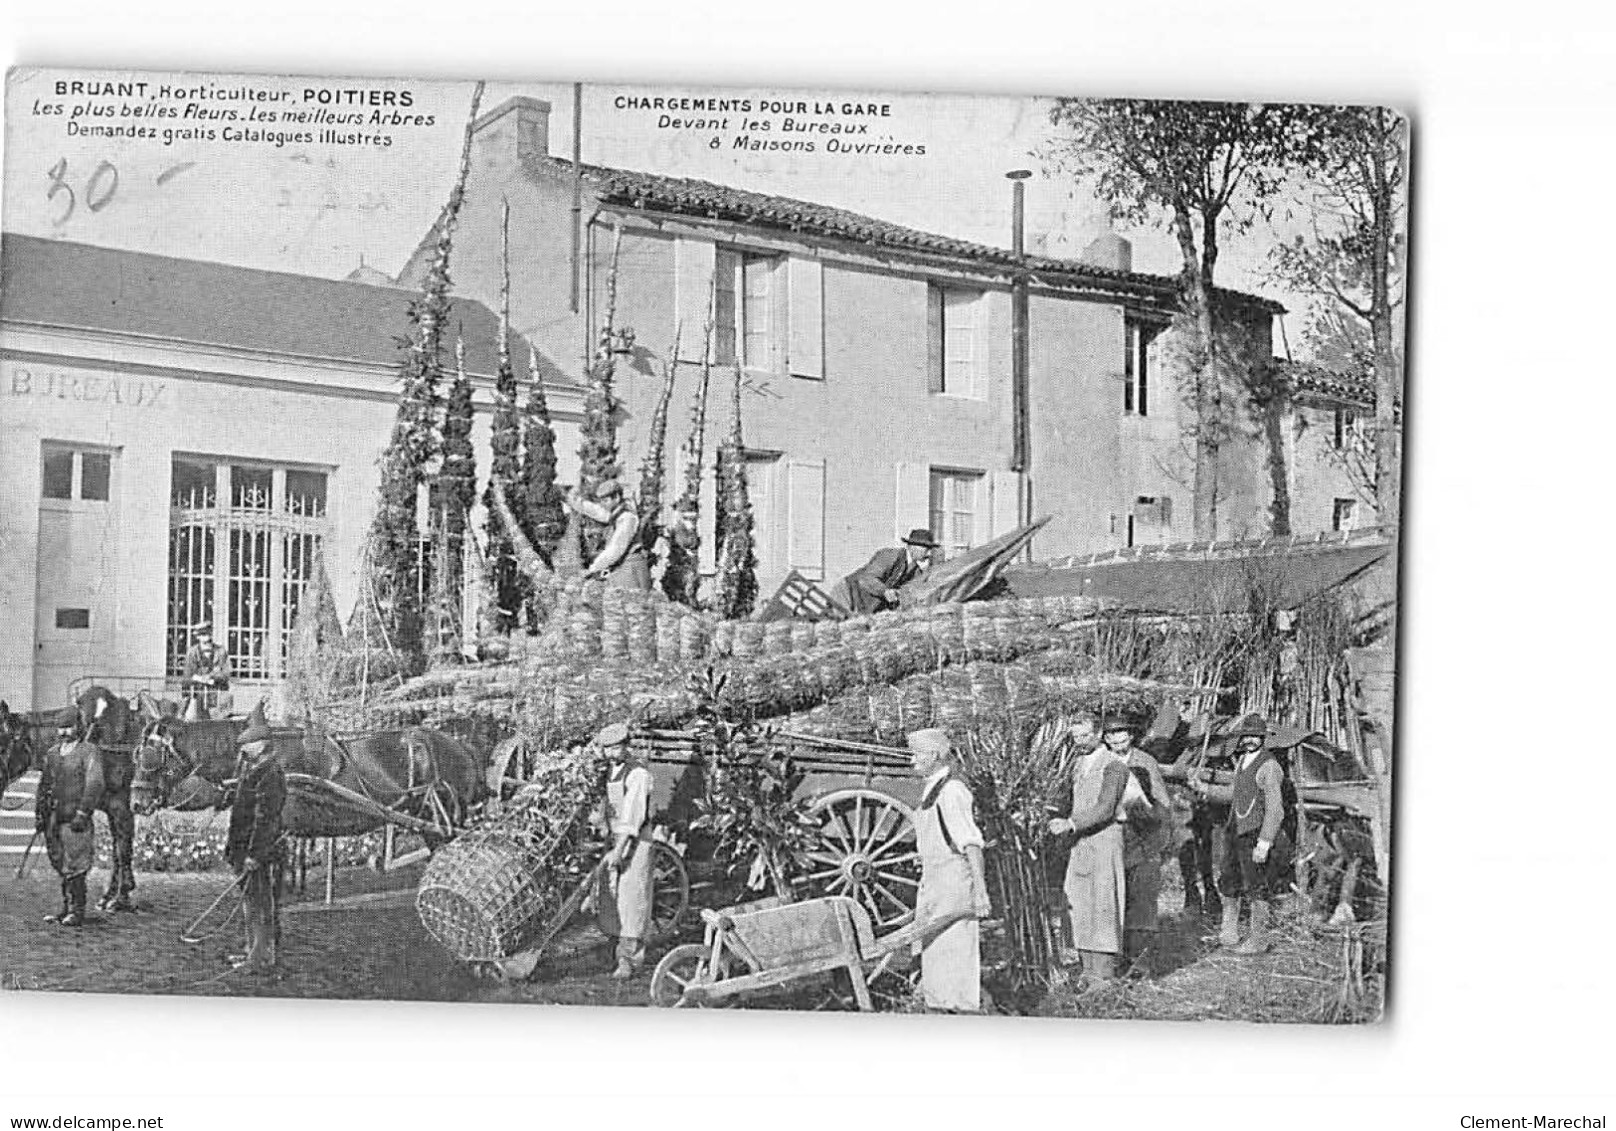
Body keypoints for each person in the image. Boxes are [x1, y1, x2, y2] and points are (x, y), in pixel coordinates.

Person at [1190, 712, 1298, 955]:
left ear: (1263, 738)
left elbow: (1276, 810)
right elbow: (1234, 794)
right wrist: (1204, 788)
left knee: (1256, 885)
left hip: (1255, 833)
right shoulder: (1242, 761)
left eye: (1255, 736)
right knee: (1229, 878)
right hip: (1235, 829)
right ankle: (1229, 932)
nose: (1249, 740)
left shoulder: (1269, 766)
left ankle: (1258, 939)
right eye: (1245, 736)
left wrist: (1264, 842)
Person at [907, 728, 992, 1012]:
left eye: (916, 754)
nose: (911, 760)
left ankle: (962, 1014)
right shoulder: (933, 787)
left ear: (933, 755)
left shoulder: (953, 790)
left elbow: (971, 845)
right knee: (936, 949)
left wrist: (980, 892)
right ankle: (940, 1010)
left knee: (956, 948)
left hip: (954, 881)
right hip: (934, 879)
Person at [1049, 720, 1133, 985]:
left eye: (1086, 735)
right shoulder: (1076, 765)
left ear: (1099, 734)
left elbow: (1106, 807)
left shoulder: (1114, 765)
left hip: (1104, 839)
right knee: (1079, 901)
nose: (1081, 741)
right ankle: (1087, 970)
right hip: (1080, 842)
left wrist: (1071, 823)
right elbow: (1066, 800)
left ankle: (1104, 973)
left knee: (1104, 903)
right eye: (1075, 736)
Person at [1105, 717, 1173, 977]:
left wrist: (1160, 837)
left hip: (1141, 835)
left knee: (1141, 898)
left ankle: (1140, 962)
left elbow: (1161, 801)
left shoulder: (1145, 761)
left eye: (1121, 732)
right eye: (1110, 734)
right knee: (1113, 898)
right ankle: (1114, 957)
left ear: (1131, 735)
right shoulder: (1101, 761)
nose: (1116, 738)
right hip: (1111, 835)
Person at [225, 705, 286, 974]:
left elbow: (266, 819)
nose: (243, 748)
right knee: (251, 903)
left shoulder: (269, 774)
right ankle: (253, 952)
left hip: (258, 854)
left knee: (261, 905)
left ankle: (261, 959)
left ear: (260, 745)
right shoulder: (256, 769)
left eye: (247, 744)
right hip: (246, 851)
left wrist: (254, 854)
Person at [593, 722, 655, 979]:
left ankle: (630, 961)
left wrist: (619, 850)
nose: (610, 754)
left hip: (636, 842)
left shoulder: (638, 774)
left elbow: (632, 818)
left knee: (632, 900)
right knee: (611, 898)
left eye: (615, 748)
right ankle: (614, 951)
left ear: (626, 745)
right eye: (606, 749)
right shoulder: (610, 771)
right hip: (614, 839)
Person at [34, 708, 104, 928]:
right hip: (54, 818)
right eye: (61, 728)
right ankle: (66, 907)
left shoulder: (89, 752)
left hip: (75, 818)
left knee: (76, 864)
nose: (64, 732)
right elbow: (44, 785)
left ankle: (77, 910)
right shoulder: (53, 753)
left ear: (79, 726)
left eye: (69, 727)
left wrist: (84, 812)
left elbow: (95, 784)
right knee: (60, 862)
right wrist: (40, 813)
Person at [830, 528, 940, 615]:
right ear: (912, 546)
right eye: (926, 549)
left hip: (864, 605)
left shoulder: (916, 572)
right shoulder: (890, 556)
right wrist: (885, 591)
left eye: (931, 550)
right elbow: (867, 579)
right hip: (847, 592)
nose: (929, 554)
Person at [566, 479, 651, 591]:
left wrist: (593, 568)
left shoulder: (627, 518)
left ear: (616, 497)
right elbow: (596, 511)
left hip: (631, 568)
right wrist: (574, 500)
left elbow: (615, 549)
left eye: (605, 501)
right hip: (622, 567)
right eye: (601, 501)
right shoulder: (615, 514)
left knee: (633, 602)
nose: (602, 505)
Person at [182, 622, 230, 718]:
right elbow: (187, 676)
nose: (205, 637)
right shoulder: (192, 652)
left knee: (218, 724)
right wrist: (199, 679)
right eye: (202, 634)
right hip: (197, 694)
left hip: (217, 694)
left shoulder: (220, 651)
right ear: (197, 637)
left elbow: (226, 673)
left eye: (207, 634)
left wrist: (211, 677)